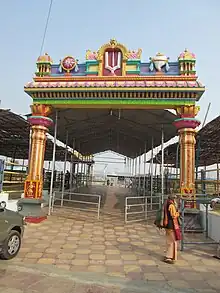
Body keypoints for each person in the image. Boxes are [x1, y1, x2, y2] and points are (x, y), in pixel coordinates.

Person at [163, 194, 181, 264]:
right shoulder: (171, 205)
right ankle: (170, 257)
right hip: (171, 225)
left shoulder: (166, 203)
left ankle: (168, 255)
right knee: (172, 241)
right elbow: (173, 215)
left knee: (168, 241)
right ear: (173, 199)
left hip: (167, 225)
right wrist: (178, 213)